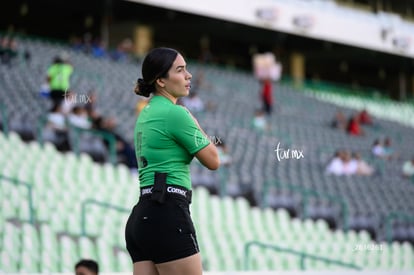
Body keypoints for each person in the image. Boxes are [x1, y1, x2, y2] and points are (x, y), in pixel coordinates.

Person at [125, 47, 220, 275]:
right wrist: (192, 119)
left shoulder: (146, 113)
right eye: (180, 70)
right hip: (167, 212)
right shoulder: (176, 113)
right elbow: (213, 160)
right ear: (161, 81)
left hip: (142, 217)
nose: (188, 76)